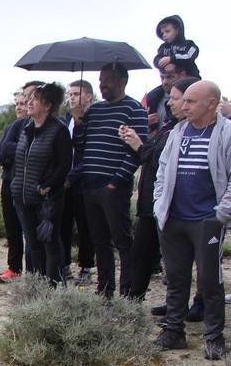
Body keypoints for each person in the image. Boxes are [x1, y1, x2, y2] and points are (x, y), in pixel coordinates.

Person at [151, 80, 231, 360]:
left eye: (190, 102)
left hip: (206, 221)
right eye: (183, 101)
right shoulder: (178, 132)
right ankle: (173, 331)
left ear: (211, 103)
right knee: (175, 278)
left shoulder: (227, 133)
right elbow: (162, 170)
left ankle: (213, 337)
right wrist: (160, 202)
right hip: (174, 218)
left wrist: (220, 213)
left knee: (210, 280)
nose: (183, 106)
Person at [72, 63, 150, 298]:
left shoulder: (134, 110)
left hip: (114, 187)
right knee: (99, 241)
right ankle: (105, 289)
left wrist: (115, 182)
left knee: (122, 241)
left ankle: (127, 292)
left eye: (107, 80)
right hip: (90, 184)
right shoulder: (94, 111)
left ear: (122, 81)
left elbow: (138, 153)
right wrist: (78, 121)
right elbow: (80, 145)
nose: (102, 85)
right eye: (100, 80)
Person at [125, 77, 199, 302]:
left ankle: (184, 308)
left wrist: (139, 144)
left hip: (172, 207)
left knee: (177, 262)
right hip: (152, 204)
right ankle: (133, 300)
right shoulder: (170, 128)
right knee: (142, 255)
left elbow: (159, 161)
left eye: (175, 98)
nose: (170, 103)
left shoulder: (192, 133)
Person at [11, 83, 72, 285]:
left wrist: (47, 186)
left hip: (47, 200)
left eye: (35, 99)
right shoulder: (27, 128)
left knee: (50, 243)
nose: (29, 102)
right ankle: (37, 287)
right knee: (34, 244)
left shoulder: (59, 130)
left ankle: (53, 288)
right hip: (23, 196)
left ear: (47, 105)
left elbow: (64, 164)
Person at [0, 82, 41, 282]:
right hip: (9, 181)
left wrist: (19, 150)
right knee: (12, 228)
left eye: (25, 102)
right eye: (18, 103)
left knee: (31, 231)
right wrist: (22, 149)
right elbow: (1, 153)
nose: (21, 107)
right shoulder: (13, 126)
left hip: (31, 185)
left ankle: (34, 273)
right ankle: (14, 268)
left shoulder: (44, 125)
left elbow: (38, 151)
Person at [63, 80, 96, 285]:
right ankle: (64, 265)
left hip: (84, 182)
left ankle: (86, 267)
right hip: (64, 183)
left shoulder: (93, 119)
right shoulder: (66, 119)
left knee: (85, 227)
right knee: (63, 225)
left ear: (89, 97)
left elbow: (88, 153)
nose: (72, 97)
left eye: (77, 93)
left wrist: (72, 176)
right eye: (71, 94)